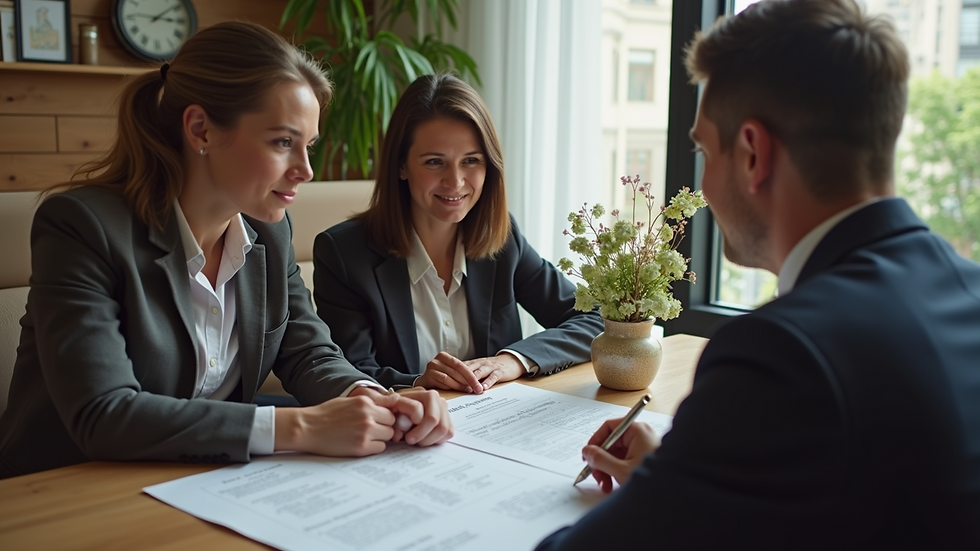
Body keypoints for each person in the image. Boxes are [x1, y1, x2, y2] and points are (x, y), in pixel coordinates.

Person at [536, 0, 980, 549]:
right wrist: (690, 474)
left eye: (702, 150)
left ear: (752, 154)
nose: (700, 187)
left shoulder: (781, 352)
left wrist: (667, 491)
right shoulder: (970, 291)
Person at [0, 21, 451, 480]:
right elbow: (104, 412)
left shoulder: (269, 231)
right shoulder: (82, 227)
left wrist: (367, 397)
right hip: (69, 487)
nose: (306, 170)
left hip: (208, 478)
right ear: (201, 130)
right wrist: (301, 425)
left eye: (308, 146)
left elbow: (308, 352)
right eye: (282, 142)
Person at [313, 74, 603, 393]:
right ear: (401, 166)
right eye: (435, 162)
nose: (456, 181)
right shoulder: (343, 253)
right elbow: (349, 374)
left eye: (471, 161)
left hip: (497, 427)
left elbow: (596, 319)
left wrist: (513, 360)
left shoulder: (503, 239)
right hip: (402, 430)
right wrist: (417, 383)